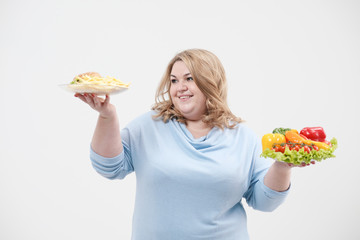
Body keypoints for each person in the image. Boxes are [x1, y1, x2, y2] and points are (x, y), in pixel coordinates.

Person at [74, 49, 294, 240]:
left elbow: (265, 201)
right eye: (174, 80)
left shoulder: (243, 137)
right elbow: (109, 167)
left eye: (189, 79)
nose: (180, 87)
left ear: (211, 82)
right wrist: (107, 116)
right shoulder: (149, 126)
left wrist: (283, 165)